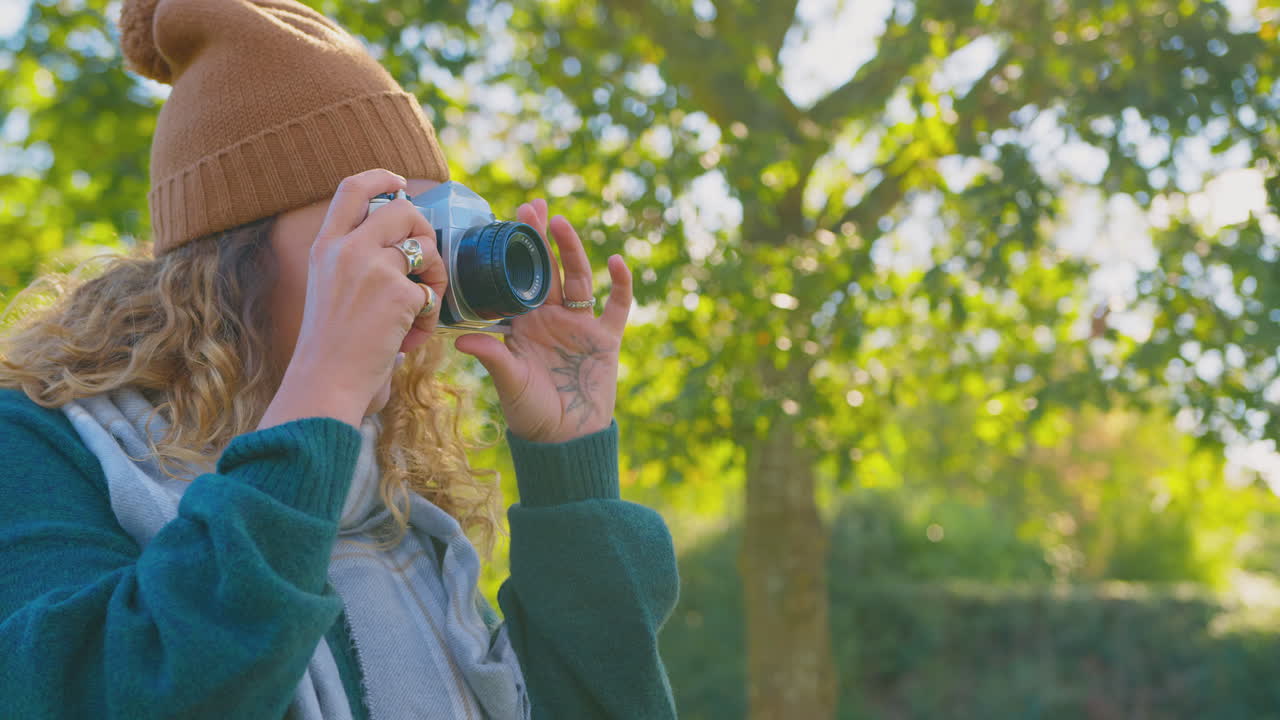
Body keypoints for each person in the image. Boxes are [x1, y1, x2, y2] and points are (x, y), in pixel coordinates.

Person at [0, 0, 679, 717]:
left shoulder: (383, 492)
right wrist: (322, 387)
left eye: (430, 222)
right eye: (382, 221)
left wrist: (568, 470)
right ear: (229, 258)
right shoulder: (38, 445)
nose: (422, 266)